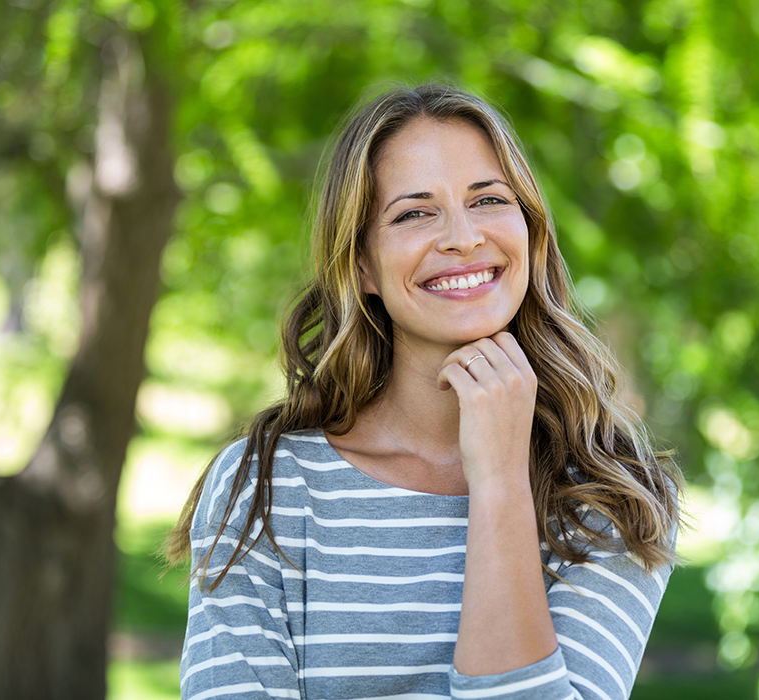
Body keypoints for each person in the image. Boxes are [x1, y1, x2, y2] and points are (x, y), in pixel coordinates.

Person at [162, 83, 684, 700]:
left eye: (488, 199)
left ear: (530, 231)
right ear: (362, 264)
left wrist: (500, 481)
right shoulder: (264, 489)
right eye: (414, 213)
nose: (463, 237)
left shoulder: (613, 495)